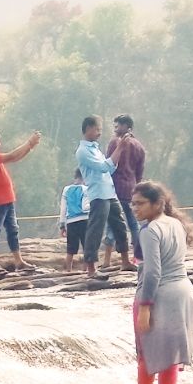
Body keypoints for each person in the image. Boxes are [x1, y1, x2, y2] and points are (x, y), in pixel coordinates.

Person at [130, 180, 193, 384]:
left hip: (158, 296)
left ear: (157, 204)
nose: (135, 208)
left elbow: (152, 272)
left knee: (146, 357)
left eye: (140, 203)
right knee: (169, 360)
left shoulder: (150, 230)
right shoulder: (176, 224)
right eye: (133, 204)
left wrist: (145, 307)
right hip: (181, 291)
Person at [0, 128, 40, 275]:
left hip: (7, 199)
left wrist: (30, 147)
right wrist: (29, 142)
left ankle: (19, 261)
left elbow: (15, 158)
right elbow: (11, 156)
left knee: (13, 230)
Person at [76, 116, 133, 278]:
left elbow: (110, 168)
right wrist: (120, 147)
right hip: (98, 195)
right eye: (97, 130)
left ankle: (125, 261)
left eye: (100, 130)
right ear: (87, 129)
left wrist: (120, 150)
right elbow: (102, 167)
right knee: (96, 229)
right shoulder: (83, 151)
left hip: (109, 192)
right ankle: (91, 269)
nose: (99, 133)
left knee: (120, 226)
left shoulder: (96, 149)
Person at [102, 114, 146, 267]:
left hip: (116, 189)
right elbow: (140, 171)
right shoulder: (139, 146)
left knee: (113, 224)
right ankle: (138, 257)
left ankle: (107, 260)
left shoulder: (115, 142)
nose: (116, 129)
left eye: (118, 126)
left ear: (127, 127)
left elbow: (109, 164)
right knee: (134, 225)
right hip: (132, 189)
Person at [59, 169, 89, 273]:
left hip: (71, 222)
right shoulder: (86, 189)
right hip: (85, 220)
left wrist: (62, 225)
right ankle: (85, 270)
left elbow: (63, 209)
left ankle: (68, 270)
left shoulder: (66, 189)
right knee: (87, 246)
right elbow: (86, 207)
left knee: (70, 248)